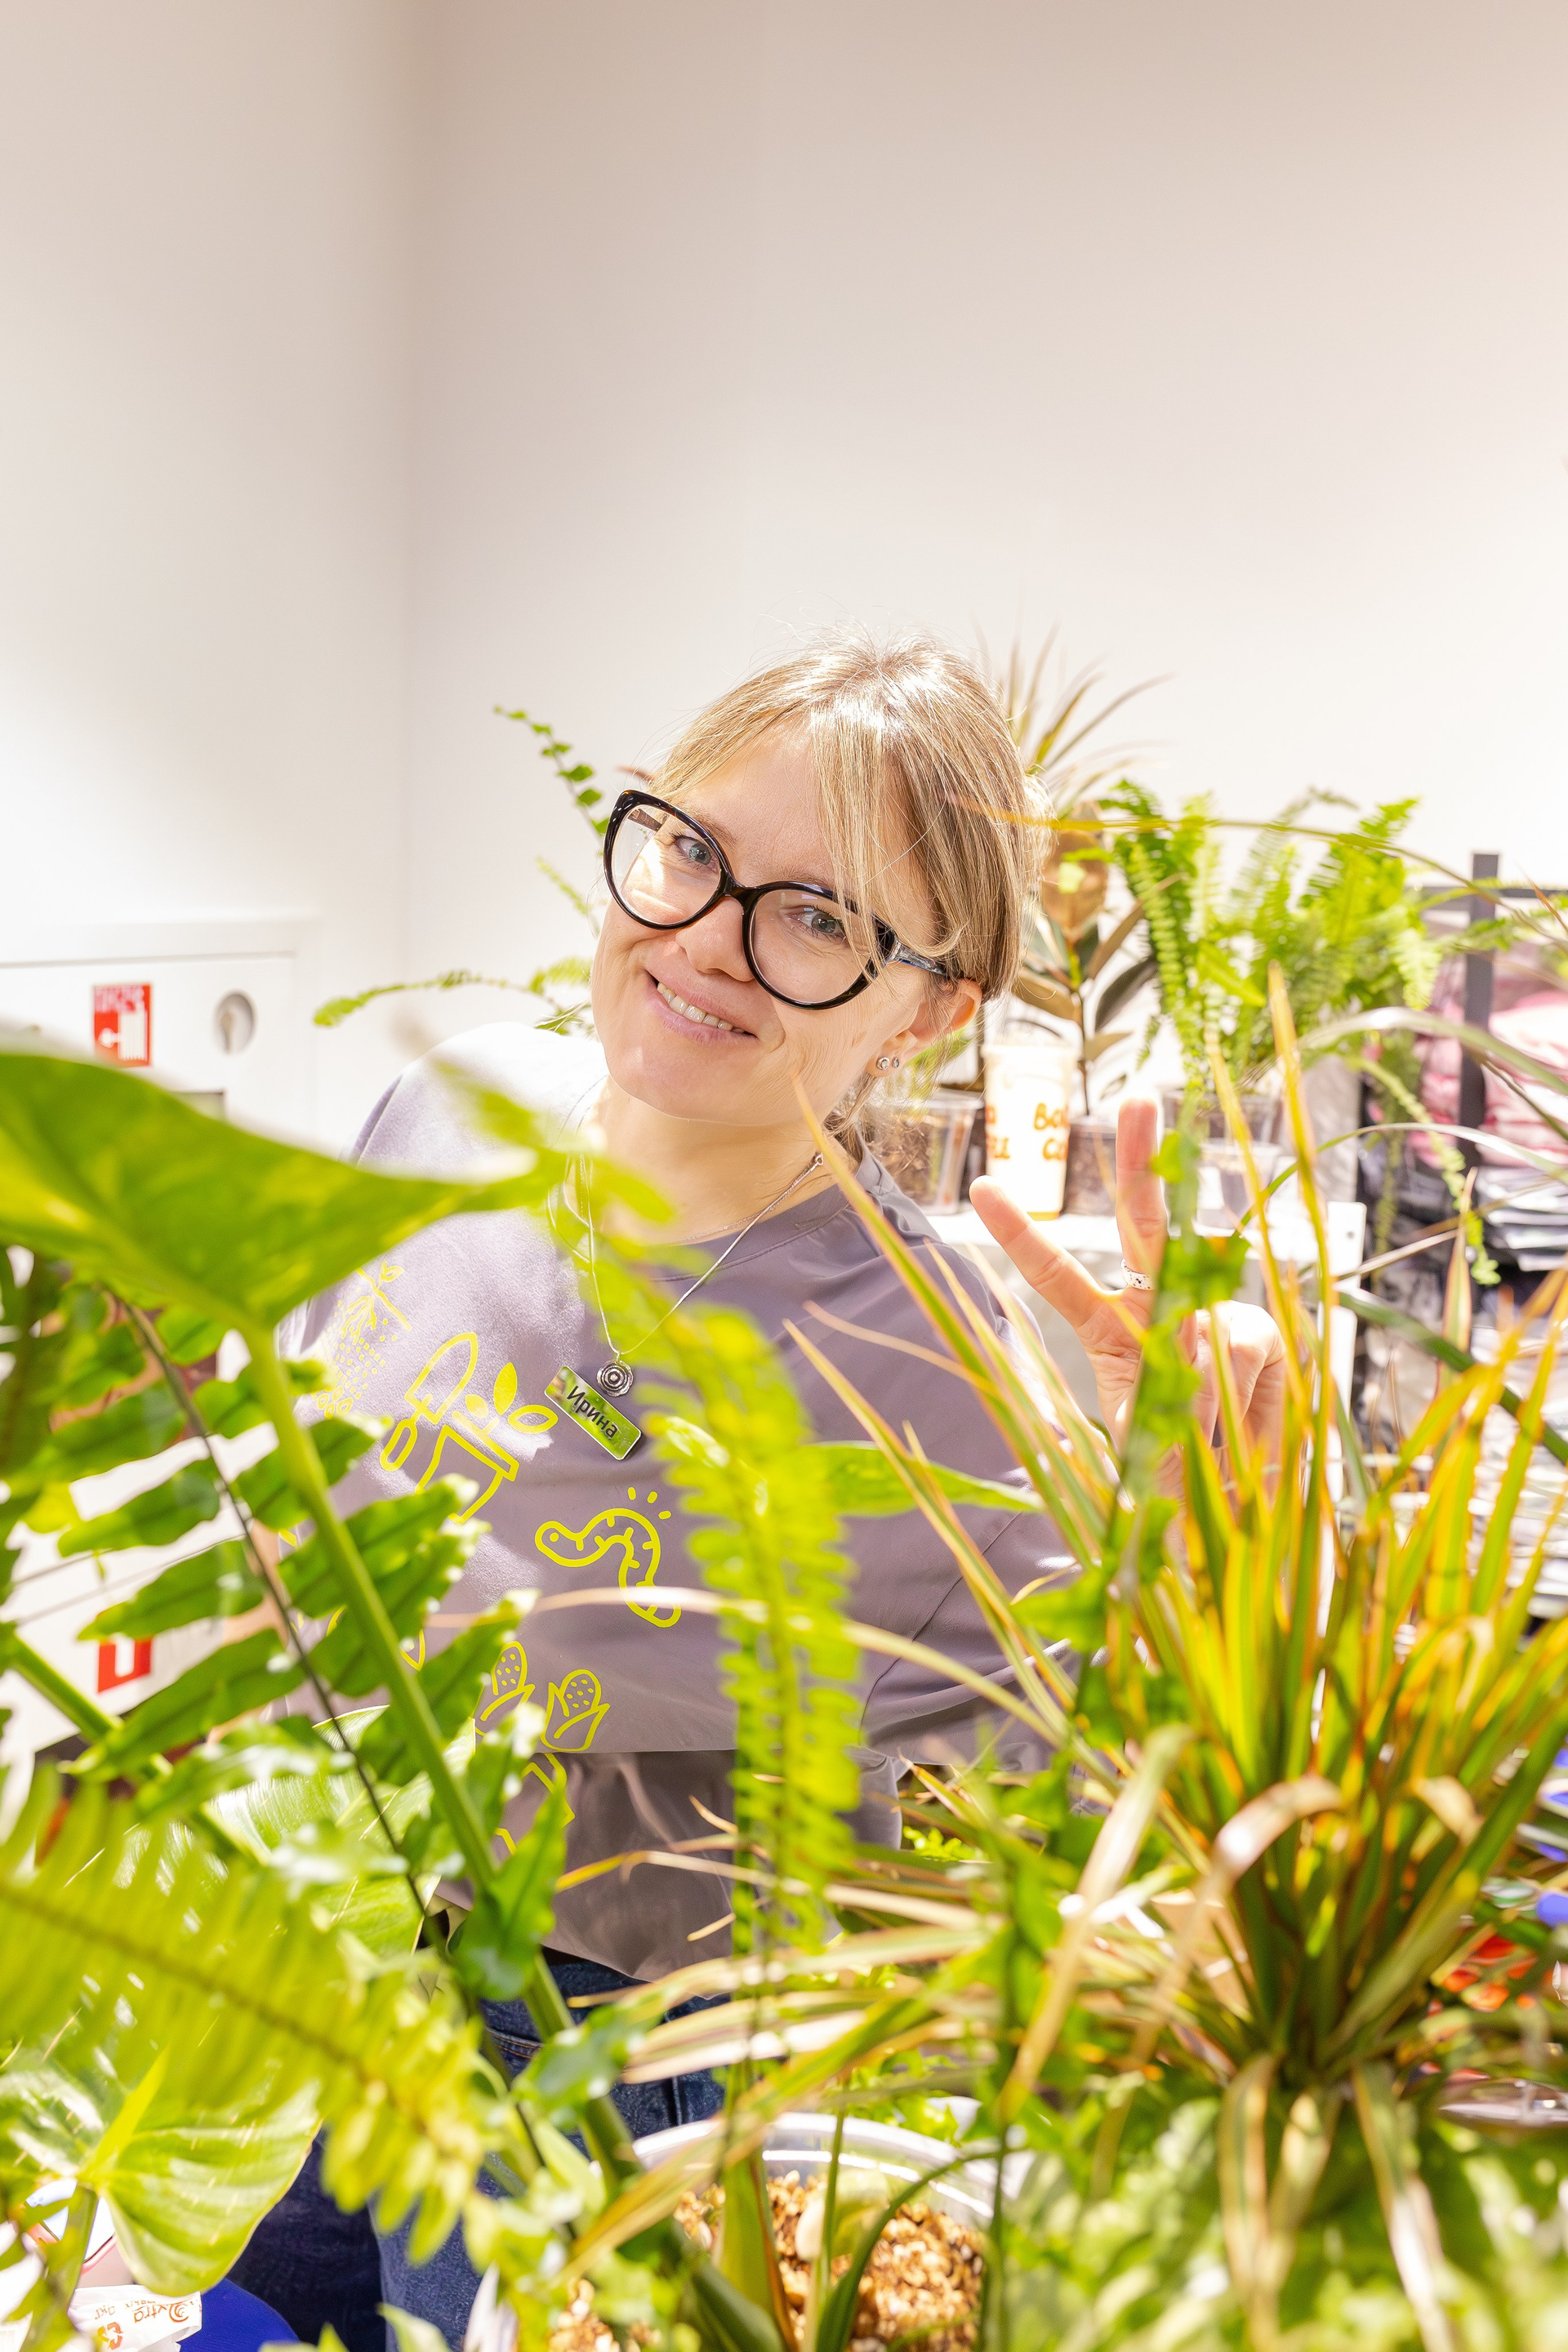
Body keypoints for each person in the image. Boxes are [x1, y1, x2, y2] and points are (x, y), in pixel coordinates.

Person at [232, 630, 1284, 2347]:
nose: (708, 940)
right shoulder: (450, 1107)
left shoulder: (939, 1357)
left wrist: (1200, 1524)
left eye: (816, 917)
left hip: (606, 2059)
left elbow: (1093, 1818)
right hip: (300, 1949)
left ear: (931, 1005)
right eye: (692, 849)